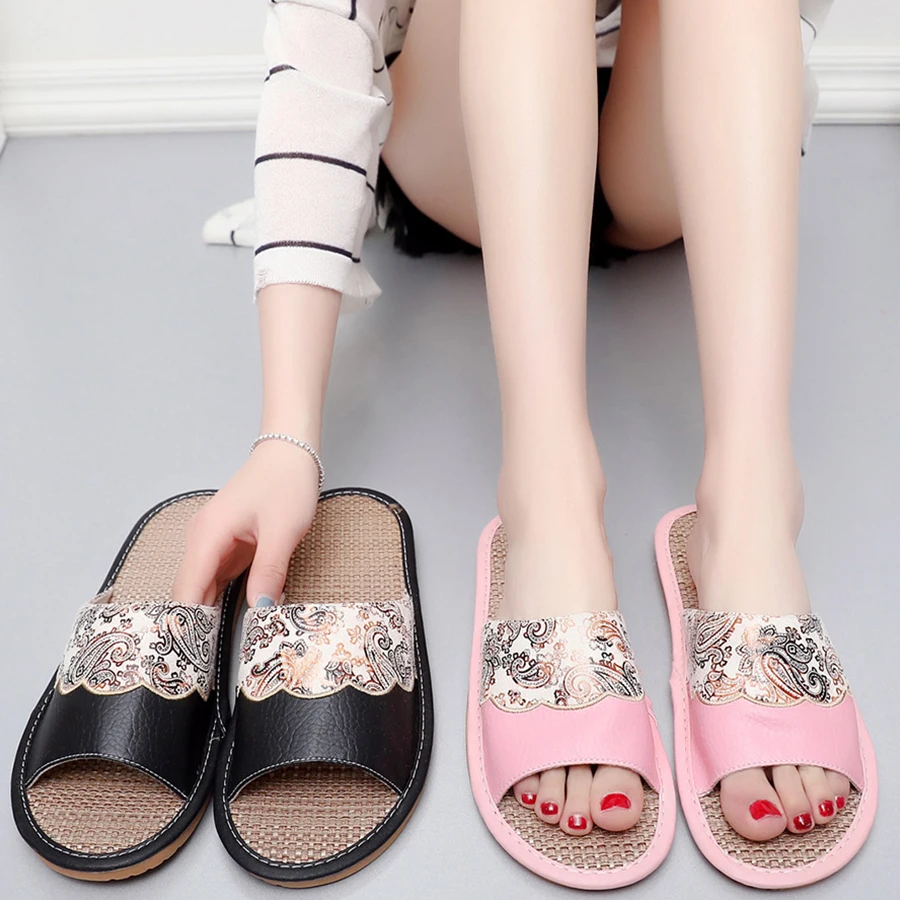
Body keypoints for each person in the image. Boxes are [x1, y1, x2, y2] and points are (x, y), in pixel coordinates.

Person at [175, 0, 845, 844]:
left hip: (662, 146)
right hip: (468, 147)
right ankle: (549, 501)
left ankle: (751, 508)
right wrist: (287, 431)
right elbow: (323, 42)